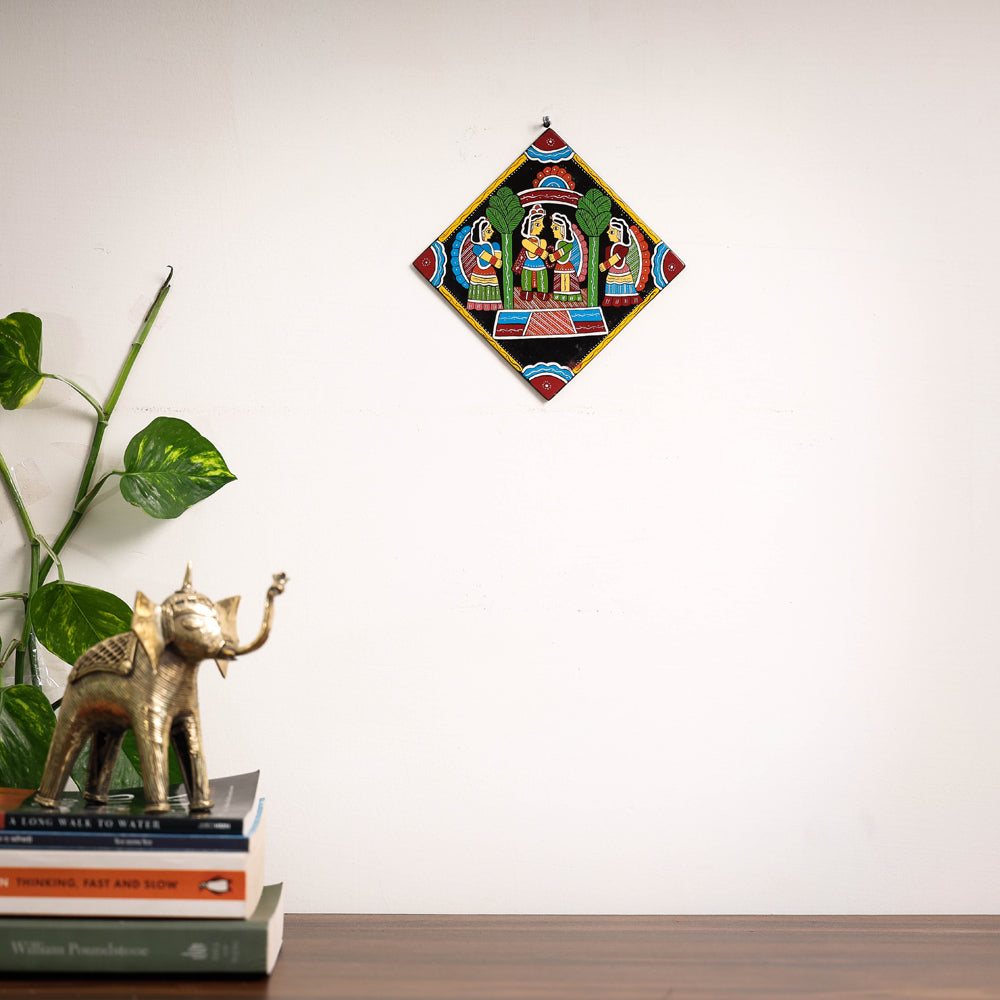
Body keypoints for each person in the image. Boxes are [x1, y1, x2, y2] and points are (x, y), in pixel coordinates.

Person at [598, 218, 641, 307]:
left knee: (623, 289)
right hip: (612, 272)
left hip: (622, 272)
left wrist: (605, 265)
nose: (607, 233)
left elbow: (616, 259)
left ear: (620, 234)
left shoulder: (623, 248)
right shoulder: (609, 248)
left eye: (611, 232)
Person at [514, 205, 549, 302]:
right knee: (526, 279)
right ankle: (526, 293)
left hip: (540, 266)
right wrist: (540, 252)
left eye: (542, 223)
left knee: (542, 279)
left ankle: (542, 293)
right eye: (538, 224)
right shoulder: (525, 241)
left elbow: (541, 253)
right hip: (527, 265)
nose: (542, 226)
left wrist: (539, 251)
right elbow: (538, 253)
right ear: (530, 226)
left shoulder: (542, 241)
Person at [466, 217, 503, 311]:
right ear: (481, 233)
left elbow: (498, 264)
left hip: (490, 273)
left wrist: (496, 256)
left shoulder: (494, 245)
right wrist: (495, 260)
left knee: (491, 292)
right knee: (480, 292)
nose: (492, 232)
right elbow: (496, 262)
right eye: (489, 231)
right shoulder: (477, 248)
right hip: (479, 273)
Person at [548, 212, 583, 304]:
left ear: (563, 230)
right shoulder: (560, 242)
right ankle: (561, 296)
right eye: (553, 228)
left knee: (567, 281)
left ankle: (569, 296)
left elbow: (563, 254)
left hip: (566, 266)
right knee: (560, 282)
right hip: (559, 267)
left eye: (555, 228)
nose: (553, 230)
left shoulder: (567, 244)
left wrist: (554, 256)